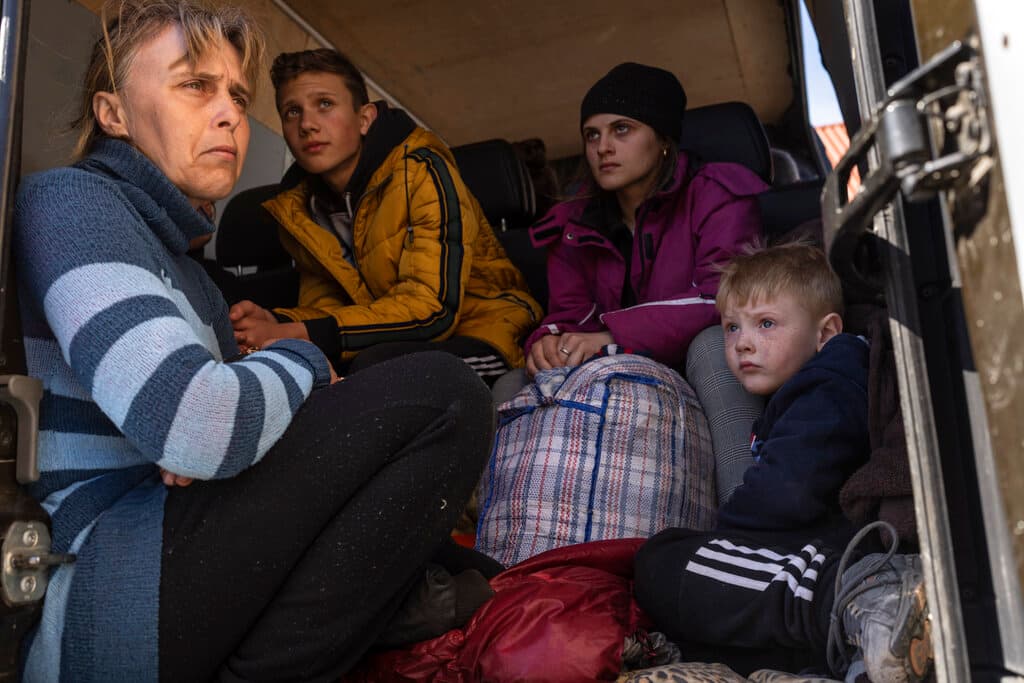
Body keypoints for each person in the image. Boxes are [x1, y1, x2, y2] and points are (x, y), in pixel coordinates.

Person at [13, 2, 499, 680]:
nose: (229, 114)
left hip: (172, 536)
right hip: (111, 583)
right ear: (114, 113)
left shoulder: (192, 271)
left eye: (238, 95)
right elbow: (199, 424)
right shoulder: (72, 204)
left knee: (468, 562)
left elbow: (216, 437)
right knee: (443, 396)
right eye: (195, 86)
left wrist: (231, 410)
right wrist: (300, 357)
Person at [632, 243, 932, 682]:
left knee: (661, 563)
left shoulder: (830, 382)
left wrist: (726, 540)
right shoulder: (809, 387)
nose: (742, 343)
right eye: (732, 328)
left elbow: (788, 489)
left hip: (842, 558)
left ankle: (866, 594)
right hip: (817, 577)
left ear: (825, 333)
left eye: (766, 324)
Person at [226, 48, 542, 384]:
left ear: (365, 119)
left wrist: (298, 331)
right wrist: (273, 321)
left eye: (325, 104)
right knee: (294, 367)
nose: (307, 125)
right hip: (387, 341)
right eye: (292, 112)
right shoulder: (300, 212)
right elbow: (329, 308)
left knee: (372, 371)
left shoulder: (423, 172)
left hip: (486, 331)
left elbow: (433, 312)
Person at [520, 62, 767, 377]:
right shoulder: (571, 224)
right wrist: (549, 343)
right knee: (517, 379)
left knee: (713, 345)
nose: (603, 148)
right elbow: (570, 314)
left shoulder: (718, 196)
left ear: (663, 139)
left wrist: (614, 337)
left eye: (621, 129)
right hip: (612, 375)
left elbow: (726, 298)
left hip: (691, 365)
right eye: (591, 135)